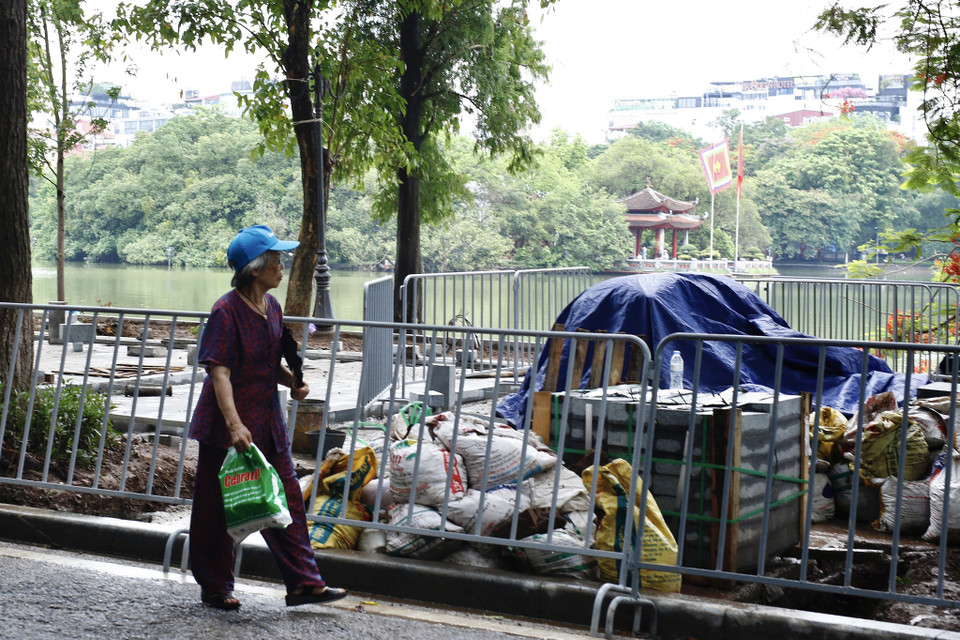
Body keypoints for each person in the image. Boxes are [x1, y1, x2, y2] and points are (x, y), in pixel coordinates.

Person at [188, 225, 347, 610]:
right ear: (255, 269)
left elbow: (267, 358)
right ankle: (215, 586)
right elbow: (219, 371)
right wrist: (234, 424)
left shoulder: (271, 308)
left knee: (288, 500)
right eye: (275, 259)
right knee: (216, 508)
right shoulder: (225, 310)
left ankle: (304, 583)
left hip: (267, 423)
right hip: (228, 426)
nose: (282, 265)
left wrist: (292, 381)